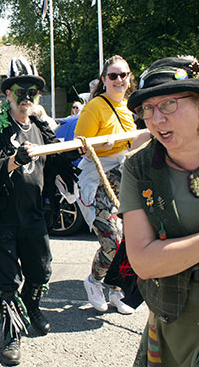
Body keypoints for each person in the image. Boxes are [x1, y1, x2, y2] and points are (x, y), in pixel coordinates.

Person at [120, 56, 199, 366]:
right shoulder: (139, 167)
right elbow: (143, 261)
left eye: (168, 104)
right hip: (175, 313)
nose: (156, 119)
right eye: (148, 109)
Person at [0, 57, 78, 365]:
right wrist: (13, 161)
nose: (27, 97)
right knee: (8, 280)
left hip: (33, 214)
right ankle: (11, 334)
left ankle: (32, 307)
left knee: (41, 270)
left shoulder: (40, 126)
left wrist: (74, 150)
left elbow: (56, 160)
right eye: (21, 91)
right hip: (1, 217)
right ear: (8, 94)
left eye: (33, 92)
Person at [74, 55, 140, 315]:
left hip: (127, 177)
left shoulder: (128, 108)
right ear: (104, 80)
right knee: (112, 238)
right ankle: (94, 280)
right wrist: (103, 144)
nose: (119, 80)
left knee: (132, 239)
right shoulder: (95, 107)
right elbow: (81, 146)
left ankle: (116, 288)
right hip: (101, 178)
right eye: (113, 76)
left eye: (123, 75)